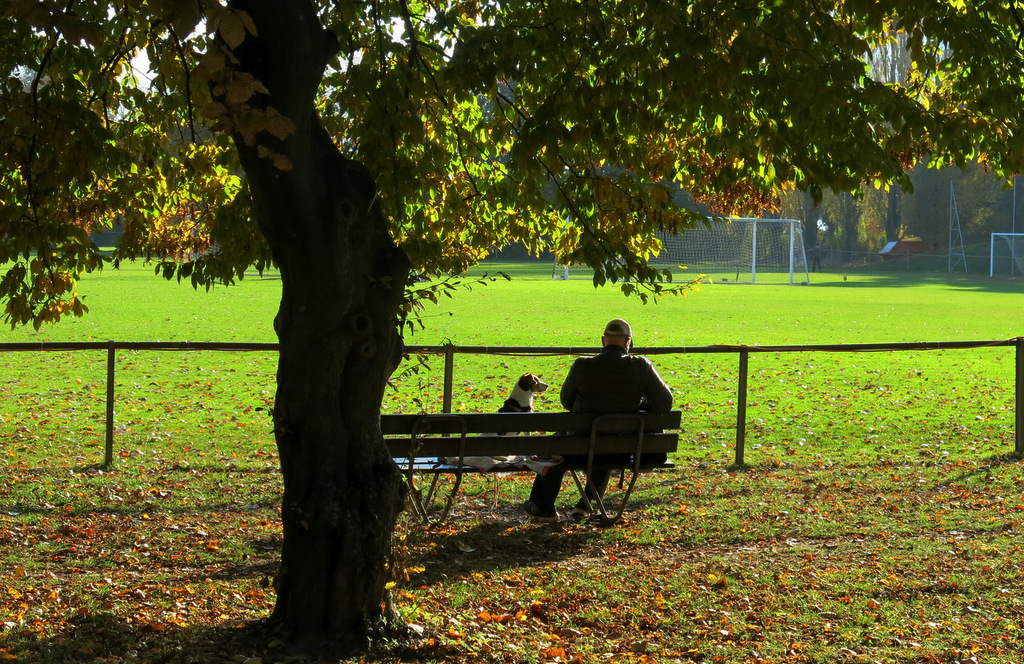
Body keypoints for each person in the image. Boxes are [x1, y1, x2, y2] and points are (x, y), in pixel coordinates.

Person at [523, 318, 673, 522]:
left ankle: (543, 506)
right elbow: (664, 402)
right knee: (605, 446)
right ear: (628, 342)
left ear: (603, 341)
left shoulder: (582, 365)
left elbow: (566, 401)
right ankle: (585, 505)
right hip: (622, 448)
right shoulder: (640, 365)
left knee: (558, 444)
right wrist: (640, 404)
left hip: (580, 448)